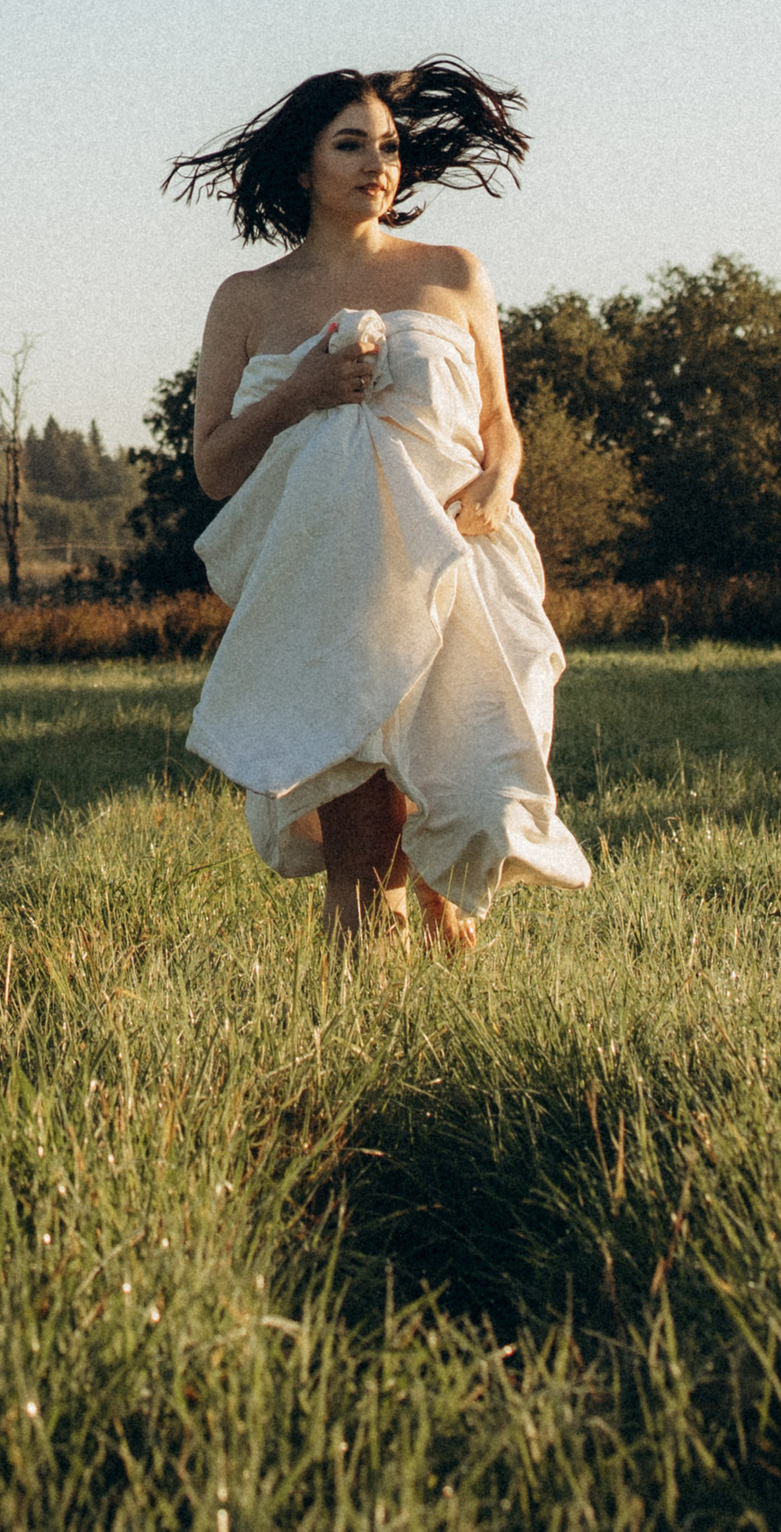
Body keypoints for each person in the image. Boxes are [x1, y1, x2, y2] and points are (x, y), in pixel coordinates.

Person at [167, 58, 591, 950]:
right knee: (364, 863)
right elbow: (214, 468)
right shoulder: (248, 300)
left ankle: (451, 1029)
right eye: (350, 145)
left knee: (468, 817)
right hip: (334, 588)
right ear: (302, 167)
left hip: (457, 569)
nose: (378, 164)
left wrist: (499, 479)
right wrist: (306, 392)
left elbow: (500, 425)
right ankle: (355, 1048)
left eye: (390, 147)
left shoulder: (452, 272)